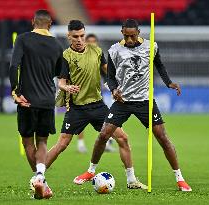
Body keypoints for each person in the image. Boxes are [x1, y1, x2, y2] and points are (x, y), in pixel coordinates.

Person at [74, 19, 192, 192]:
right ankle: (91, 171)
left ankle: (180, 178)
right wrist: (114, 90)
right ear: (122, 32)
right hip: (123, 101)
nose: (129, 40)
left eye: (133, 36)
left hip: (145, 101)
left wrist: (168, 83)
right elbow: (110, 76)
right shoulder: (114, 50)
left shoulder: (151, 46)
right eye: (126, 36)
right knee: (103, 135)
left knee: (162, 138)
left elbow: (158, 64)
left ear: (138, 32)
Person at [46, 20, 147, 193]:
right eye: (75, 37)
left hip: (98, 107)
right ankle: (38, 177)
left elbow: (108, 74)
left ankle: (131, 180)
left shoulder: (97, 51)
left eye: (82, 36)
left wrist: (116, 86)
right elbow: (61, 82)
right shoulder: (65, 56)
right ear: (68, 37)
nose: (79, 39)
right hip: (77, 108)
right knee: (62, 144)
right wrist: (67, 87)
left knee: (122, 138)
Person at [9, 9, 63, 199]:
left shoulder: (23, 39)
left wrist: (15, 92)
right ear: (49, 24)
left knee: (27, 141)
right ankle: (41, 176)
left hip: (27, 100)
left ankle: (40, 181)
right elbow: (59, 72)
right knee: (42, 141)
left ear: (33, 22)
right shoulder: (57, 45)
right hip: (48, 100)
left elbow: (13, 65)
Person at [77, 33, 115, 153]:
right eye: (89, 41)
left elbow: (107, 74)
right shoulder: (79, 56)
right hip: (81, 94)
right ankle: (81, 144)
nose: (92, 44)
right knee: (80, 120)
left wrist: (113, 86)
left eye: (94, 41)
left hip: (97, 94)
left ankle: (107, 142)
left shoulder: (99, 57)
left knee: (106, 118)